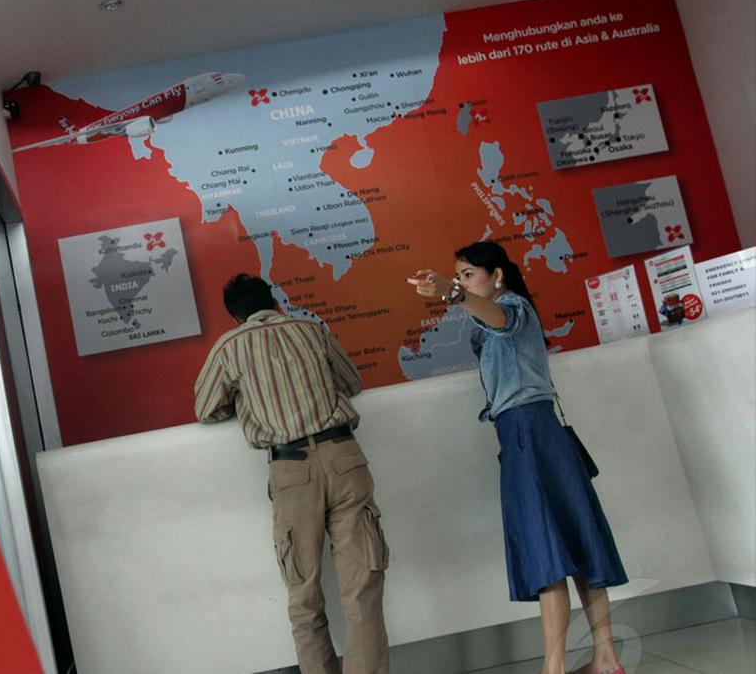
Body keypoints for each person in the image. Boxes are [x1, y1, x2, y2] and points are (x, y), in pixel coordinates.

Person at [407, 242, 628, 674]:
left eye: (468, 274)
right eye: (459, 276)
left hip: (528, 434)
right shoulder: (492, 318)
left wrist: (450, 293)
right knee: (577, 545)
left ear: (497, 276)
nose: (462, 282)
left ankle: (555, 669)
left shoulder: (513, 308)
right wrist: (458, 294)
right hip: (532, 435)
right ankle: (606, 659)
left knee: (548, 554)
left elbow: (500, 320)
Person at [194, 274, 390, 674]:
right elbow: (351, 381)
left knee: (304, 598)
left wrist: (245, 402)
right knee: (362, 592)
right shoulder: (311, 330)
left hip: (290, 471)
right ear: (274, 302)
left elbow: (206, 408)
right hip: (344, 458)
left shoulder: (229, 347)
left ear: (235, 316)